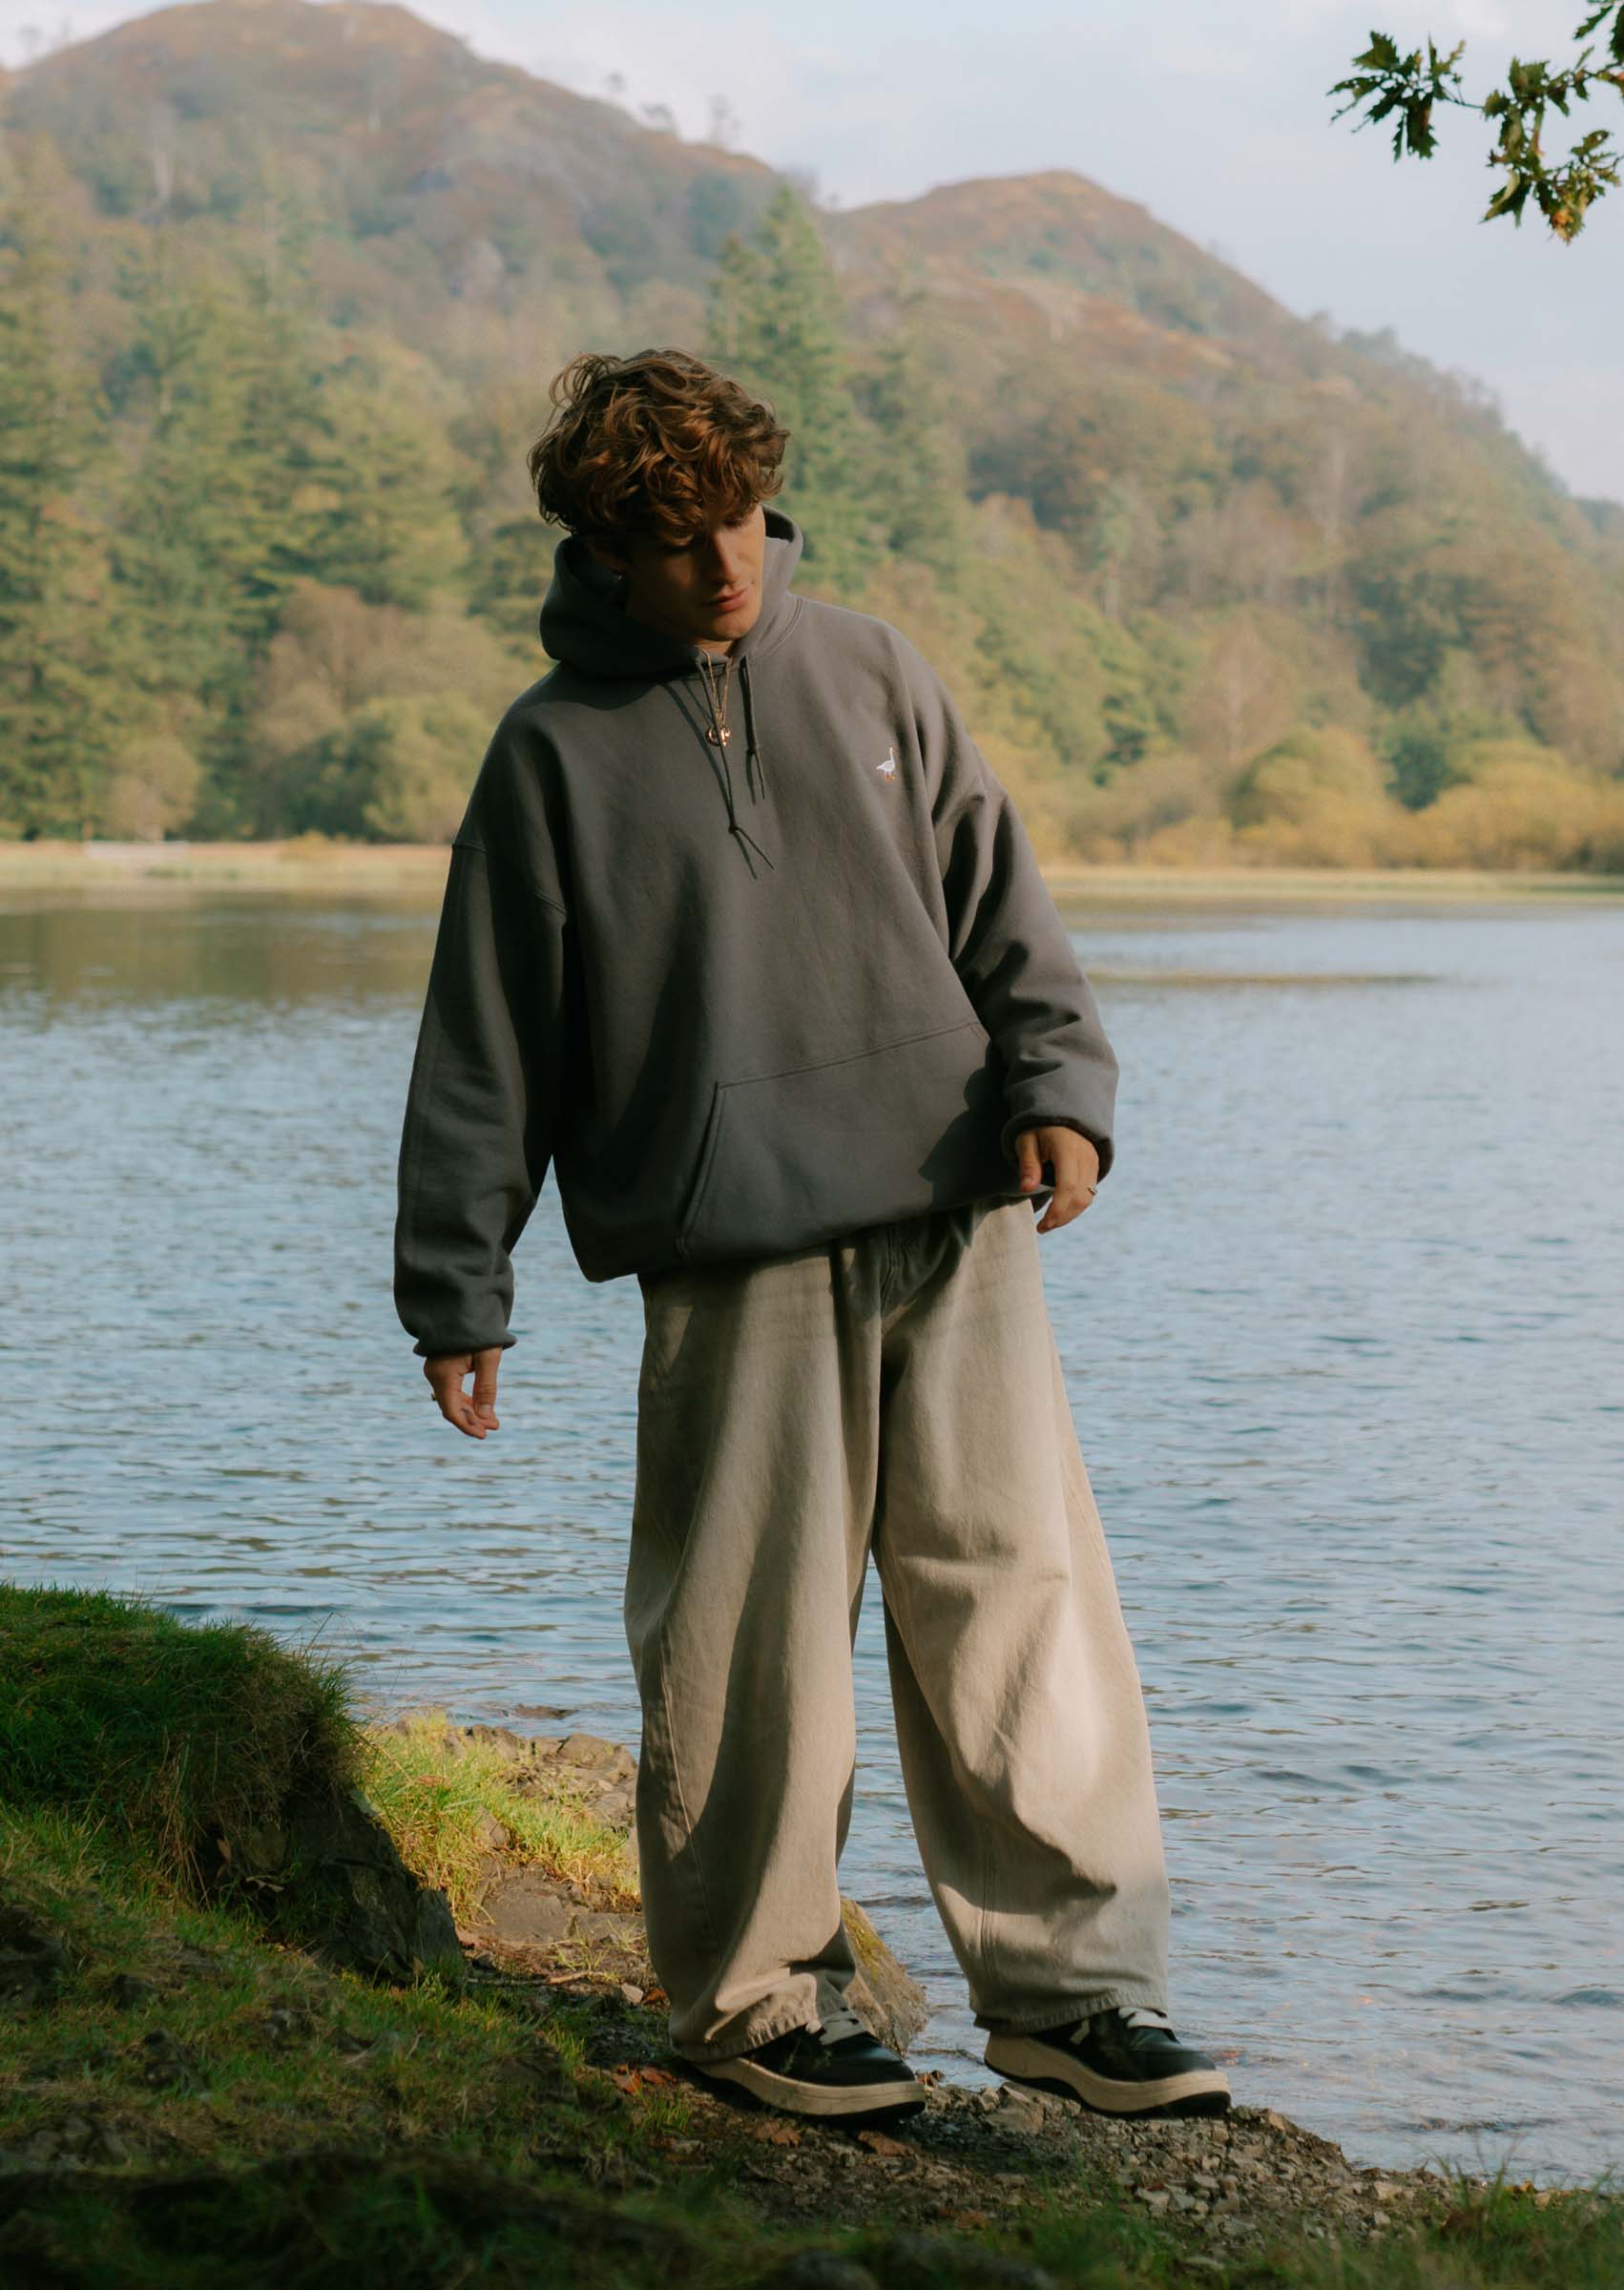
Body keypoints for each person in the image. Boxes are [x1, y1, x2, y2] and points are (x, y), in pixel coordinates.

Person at [393, 346, 1229, 2126]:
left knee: (1020, 1601)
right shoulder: (549, 753)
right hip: (735, 1242)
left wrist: (1058, 1083)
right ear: (604, 548)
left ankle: (1073, 1997)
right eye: (680, 539)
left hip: (953, 1202)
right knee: (746, 1640)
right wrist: (457, 1283)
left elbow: (998, 897)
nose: (729, 566)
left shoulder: (868, 666)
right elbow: (487, 1043)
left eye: (745, 521)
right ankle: (761, 2004)